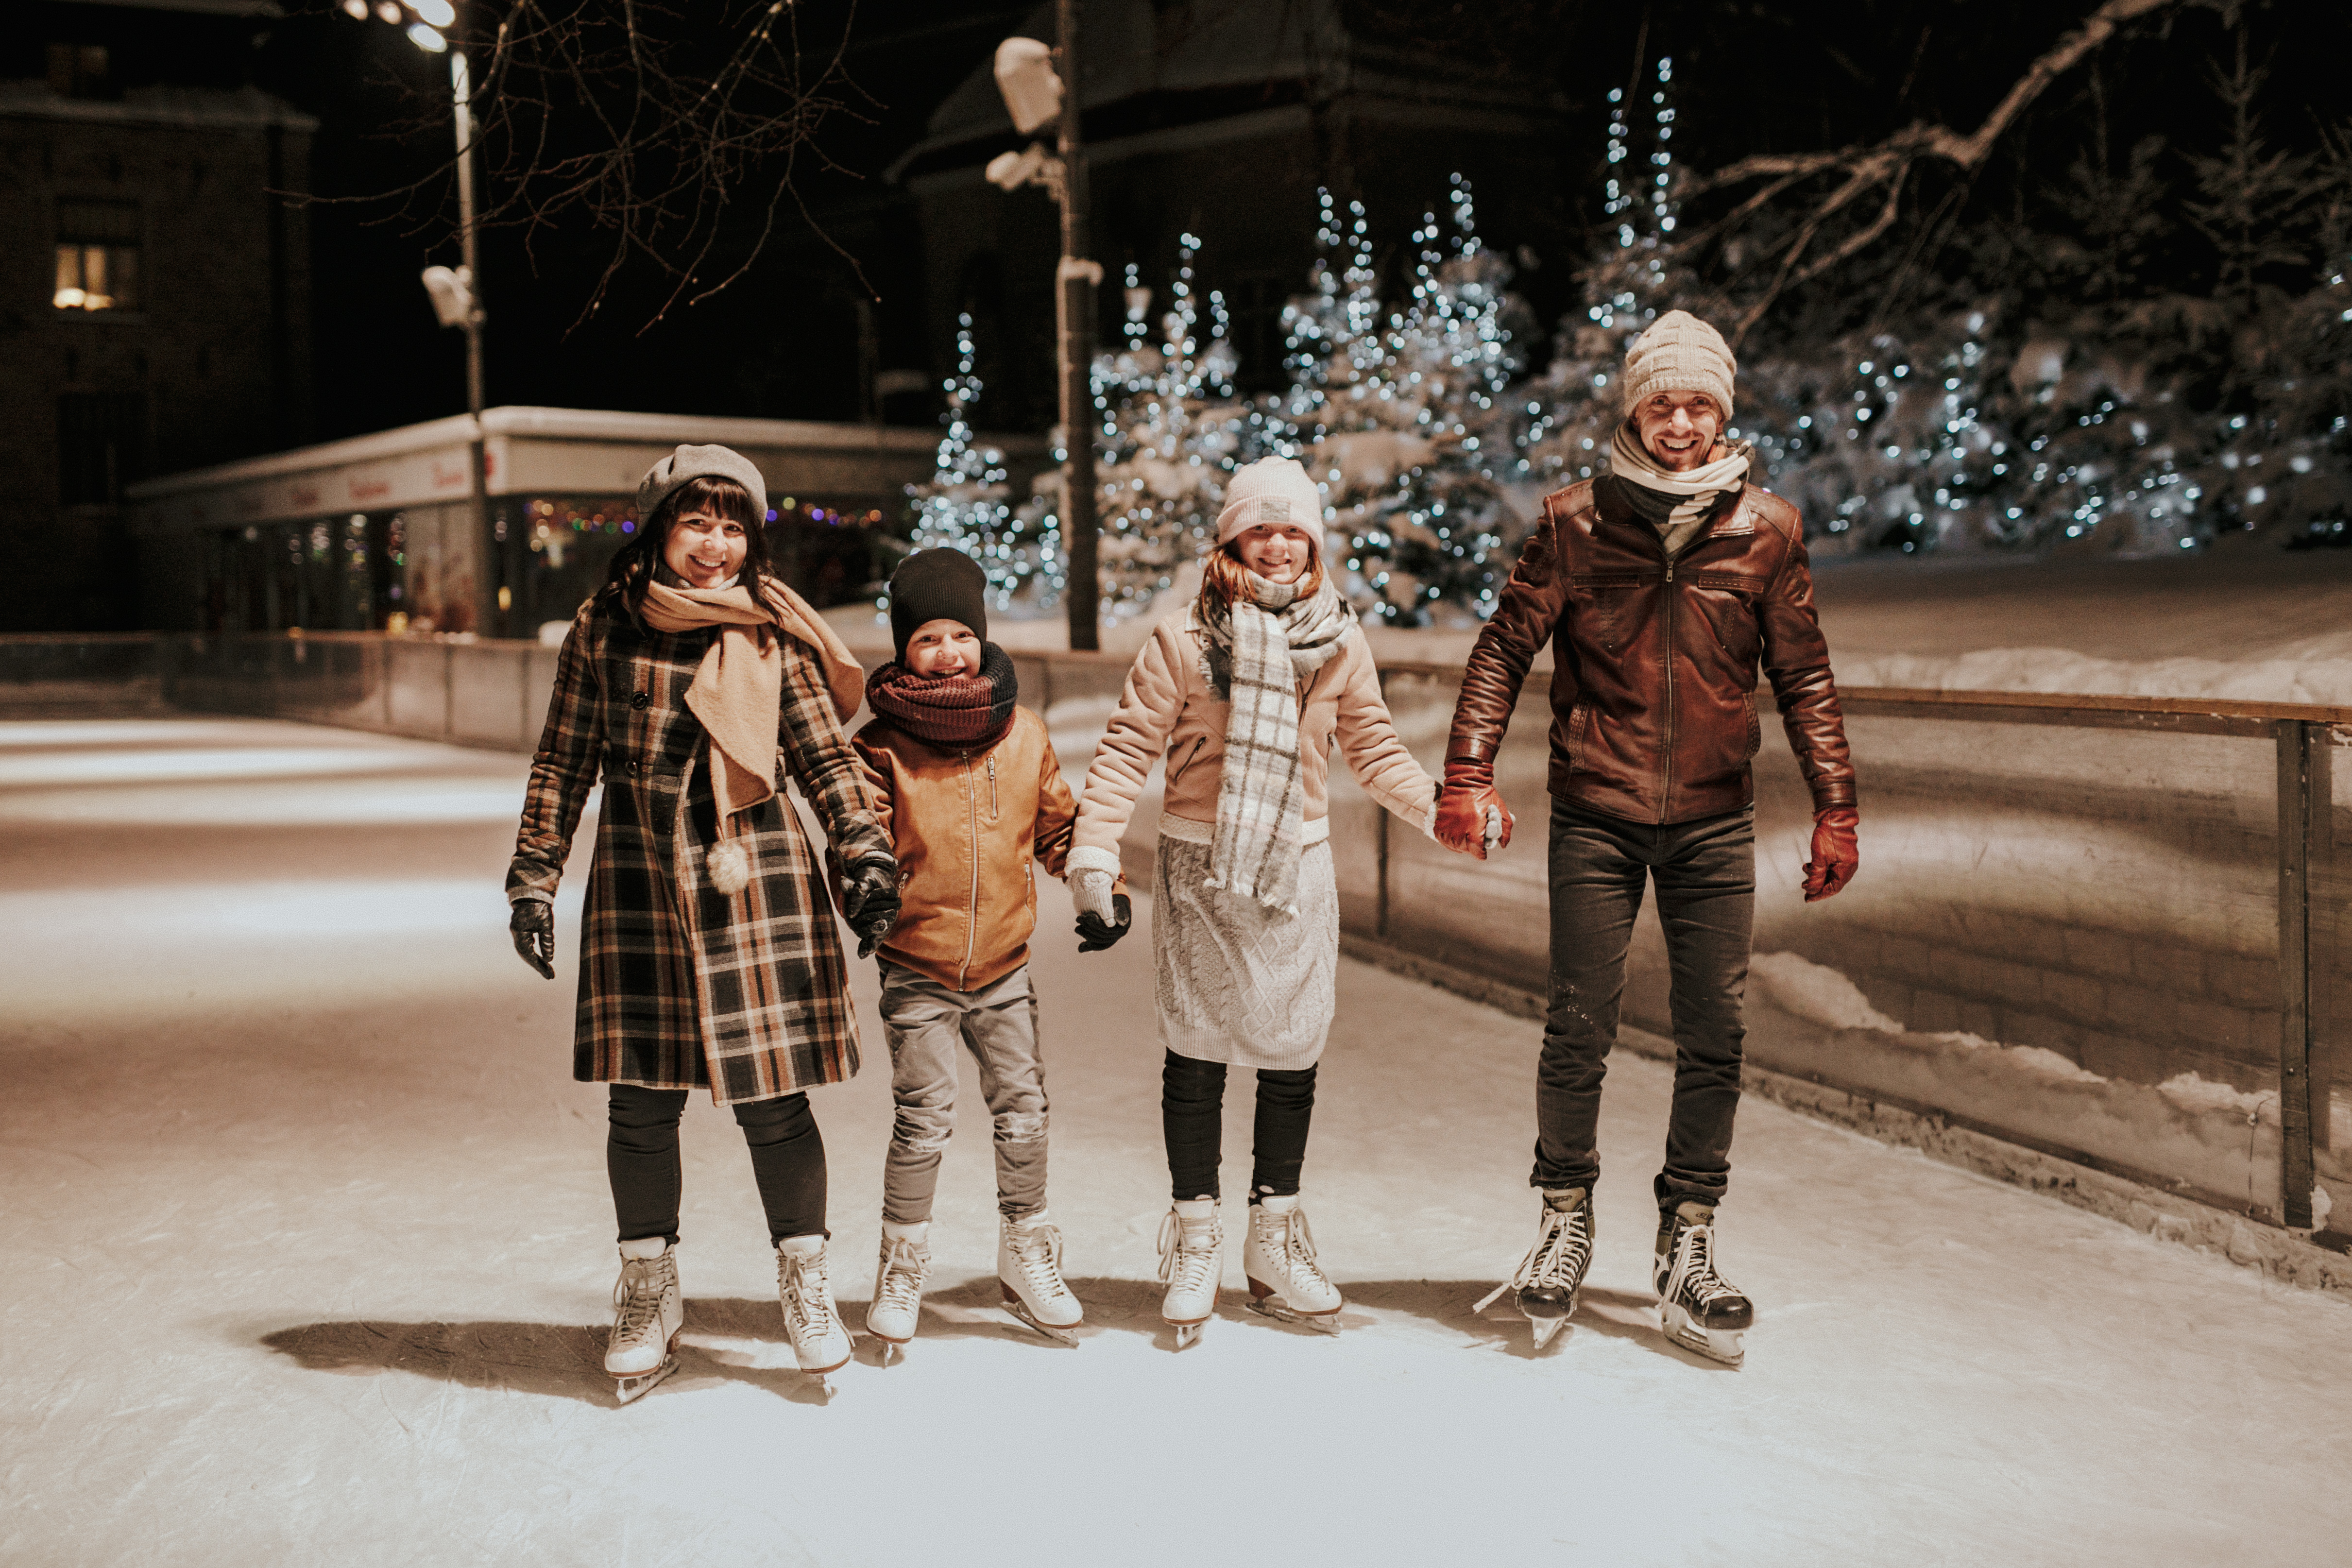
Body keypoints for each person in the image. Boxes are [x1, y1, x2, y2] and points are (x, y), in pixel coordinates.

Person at [1441, 311, 1859, 1364]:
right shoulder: (1575, 523)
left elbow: (1802, 672)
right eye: (1661, 404)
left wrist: (1837, 805)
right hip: (1599, 810)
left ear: (1724, 411)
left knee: (1715, 1031)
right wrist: (1466, 774)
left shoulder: (1767, 529)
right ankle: (1562, 1220)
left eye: (1699, 404)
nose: (1680, 423)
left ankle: (1689, 1235)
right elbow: (1502, 651)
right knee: (1580, 1024)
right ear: (1634, 410)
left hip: (1715, 820)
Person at [505, 443, 901, 1401]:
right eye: (696, 522)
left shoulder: (771, 635)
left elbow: (826, 759)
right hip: (640, 890)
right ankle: (648, 1286)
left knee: (775, 1104)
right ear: (658, 529)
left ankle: (805, 1286)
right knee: (640, 1105)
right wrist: (534, 876)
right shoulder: (604, 629)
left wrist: (868, 853)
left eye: (732, 526)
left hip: (754, 890)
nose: (715, 545)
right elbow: (564, 761)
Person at [1069, 456, 1444, 1347]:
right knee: (1195, 1049)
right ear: (1231, 537)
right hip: (1201, 866)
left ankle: (1273, 1238)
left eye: (1294, 530)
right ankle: (1195, 1236)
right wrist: (1093, 856)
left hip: (1295, 869)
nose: (1277, 546)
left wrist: (1443, 811)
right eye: (1260, 529)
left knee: (1289, 1049)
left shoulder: (1340, 640)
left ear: (1313, 542)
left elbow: (1376, 748)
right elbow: (1126, 751)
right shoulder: (1185, 640)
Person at [851, 549, 1089, 1352]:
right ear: (901, 651)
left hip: (1003, 966)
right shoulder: (880, 745)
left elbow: (1058, 826)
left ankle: (1026, 1250)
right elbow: (859, 841)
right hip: (917, 968)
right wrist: (868, 886)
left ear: (981, 641)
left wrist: (1098, 888)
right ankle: (902, 1262)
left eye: (960, 635)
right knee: (922, 1120)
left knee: (1023, 1112)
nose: (947, 653)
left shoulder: (1023, 734)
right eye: (927, 640)